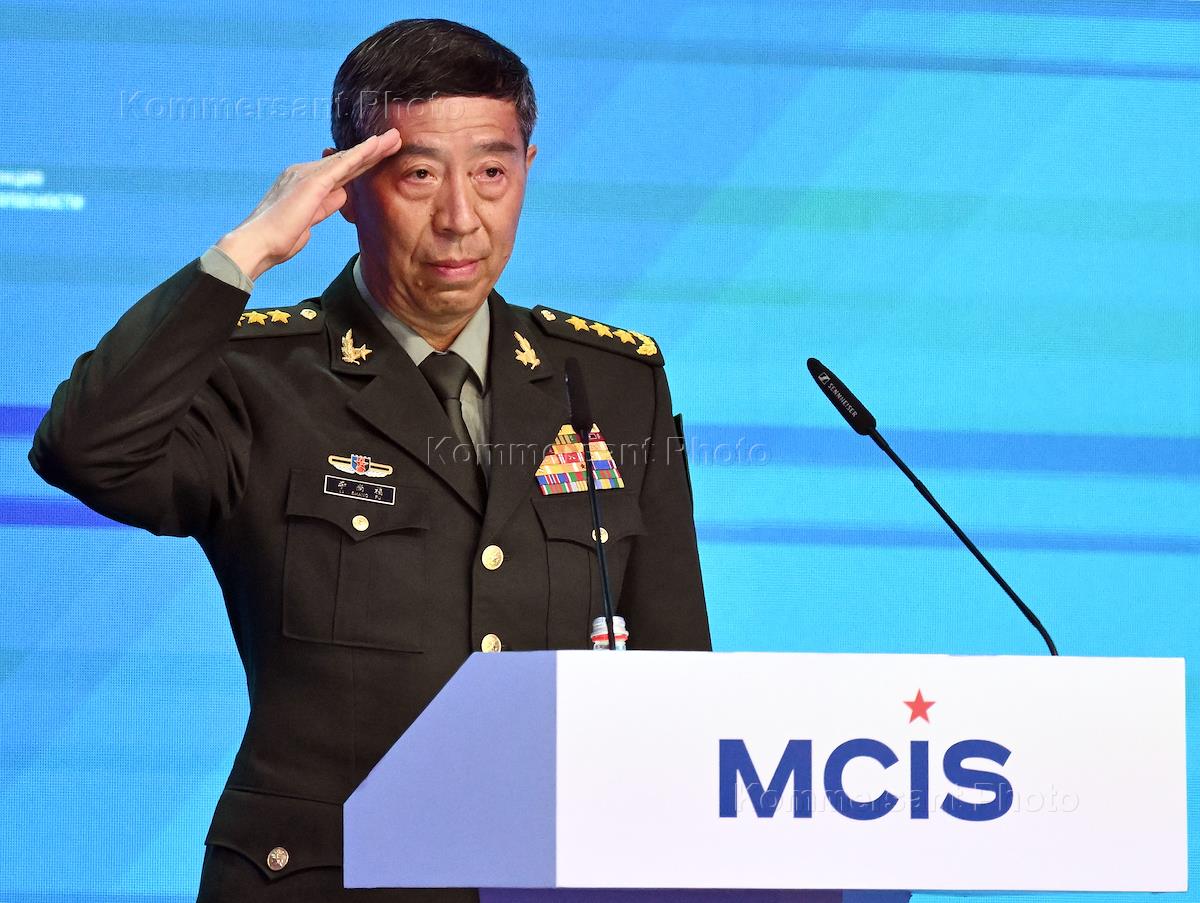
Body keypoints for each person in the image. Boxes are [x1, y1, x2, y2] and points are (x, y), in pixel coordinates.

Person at [29, 18, 709, 902]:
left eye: (492, 173)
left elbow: (675, 680)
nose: (460, 217)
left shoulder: (613, 384)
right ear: (345, 184)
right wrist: (249, 249)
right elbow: (84, 449)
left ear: (527, 171)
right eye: (418, 174)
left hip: (551, 878)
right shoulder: (257, 380)